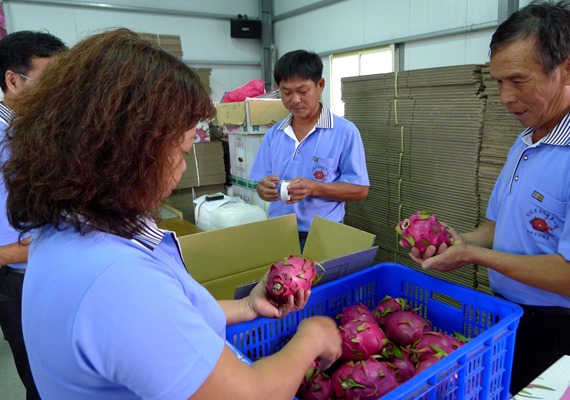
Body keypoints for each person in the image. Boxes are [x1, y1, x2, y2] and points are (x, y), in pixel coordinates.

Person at [2, 28, 342, 399]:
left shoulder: (66, 229)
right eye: (179, 152)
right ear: (127, 152)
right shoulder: (117, 280)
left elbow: (169, 317)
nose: (181, 169)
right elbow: (251, 394)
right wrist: (313, 336)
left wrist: (246, 306)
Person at [409, 0, 570, 394]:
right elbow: (498, 228)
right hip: (512, 316)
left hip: (567, 331)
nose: (504, 98)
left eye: (518, 80)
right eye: (498, 82)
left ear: (569, 69)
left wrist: (474, 256)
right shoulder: (528, 139)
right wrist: (457, 241)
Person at [0, 30, 66, 400]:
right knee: (42, 382)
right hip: (17, 278)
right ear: (13, 79)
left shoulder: (28, 132)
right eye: (50, 79)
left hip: (40, 267)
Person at [249, 50, 369, 248]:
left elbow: (360, 190)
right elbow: (261, 184)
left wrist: (314, 187)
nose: (295, 99)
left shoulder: (344, 132)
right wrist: (263, 190)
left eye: (303, 91)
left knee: (321, 279)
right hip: (279, 231)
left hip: (322, 234)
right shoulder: (274, 134)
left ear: (320, 85)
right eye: (286, 92)